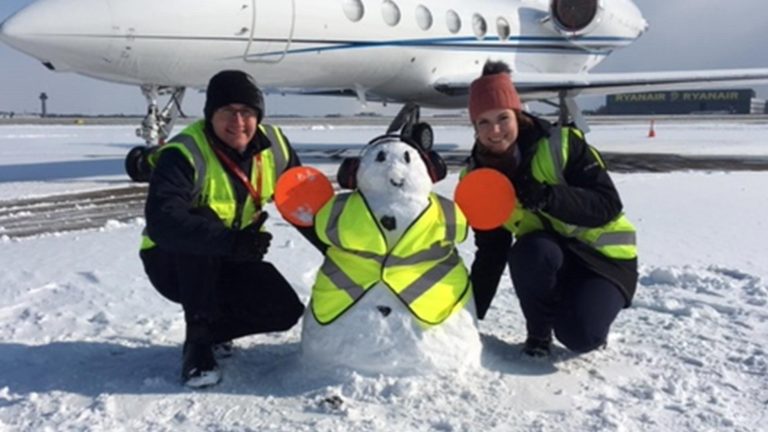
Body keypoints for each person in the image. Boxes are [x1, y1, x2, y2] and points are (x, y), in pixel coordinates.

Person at [140, 70, 313, 387]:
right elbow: (164, 223)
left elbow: (304, 206)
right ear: (210, 116)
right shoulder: (184, 153)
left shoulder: (274, 147)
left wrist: (342, 248)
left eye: (246, 112)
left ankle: (214, 330)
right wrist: (231, 242)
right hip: (171, 263)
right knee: (201, 221)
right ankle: (198, 346)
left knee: (284, 310)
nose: (238, 122)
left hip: (232, 255)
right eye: (227, 112)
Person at [464, 60, 638, 358]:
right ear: (474, 127)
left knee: (582, 337)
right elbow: (492, 251)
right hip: (548, 259)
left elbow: (608, 205)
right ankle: (539, 333)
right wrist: (467, 317)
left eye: (503, 118)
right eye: (483, 121)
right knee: (531, 250)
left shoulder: (562, 144)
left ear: (518, 115)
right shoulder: (476, 180)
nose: (495, 131)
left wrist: (549, 196)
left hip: (604, 260)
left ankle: (587, 309)